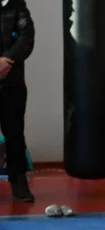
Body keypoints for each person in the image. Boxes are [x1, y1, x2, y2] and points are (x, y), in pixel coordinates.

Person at [0, 0, 35, 202]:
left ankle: (19, 182)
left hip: (11, 83)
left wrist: (7, 60)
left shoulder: (17, 7)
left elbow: (26, 37)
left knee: (14, 134)